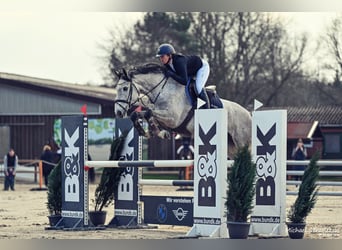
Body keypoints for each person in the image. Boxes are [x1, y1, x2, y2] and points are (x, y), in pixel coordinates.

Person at [156, 43, 211, 109]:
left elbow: (184, 81)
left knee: (198, 87)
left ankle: (208, 108)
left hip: (201, 67)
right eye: (160, 57)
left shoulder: (179, 62)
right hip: (190, 70)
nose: (161, 59)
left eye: (162, 57)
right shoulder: (167, 64)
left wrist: (172, 75)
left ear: (169, 55)